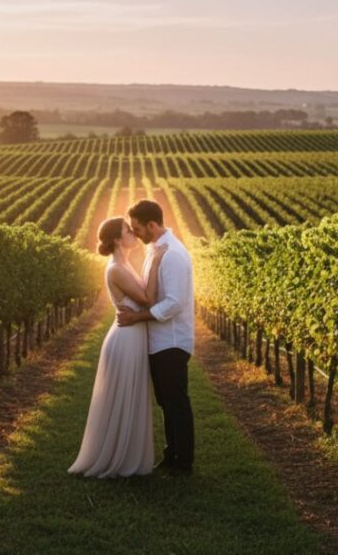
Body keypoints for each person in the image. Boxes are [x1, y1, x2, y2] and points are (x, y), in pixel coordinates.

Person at [68, 216, 167, 477]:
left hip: (131, 336)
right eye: (127, 231)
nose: (133, 233)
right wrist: (156, 262)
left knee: (129, 396)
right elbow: (148, 298)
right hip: (126, 339)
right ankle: (118, 458)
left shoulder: (123, 265)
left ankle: (125, 455)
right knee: (124, 396)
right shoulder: (116, 269)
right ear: (116, 239)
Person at [117, 199, 195, 474]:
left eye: (138, 229)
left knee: (176, 402)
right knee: (167, 401)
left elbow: (174, 302)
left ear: (152, 225)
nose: (136, 234)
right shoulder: (156, 249)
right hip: (160, 341)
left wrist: (137, 317)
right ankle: (172, 455)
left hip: (171, 340)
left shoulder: (172, 254)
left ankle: (183, 462)